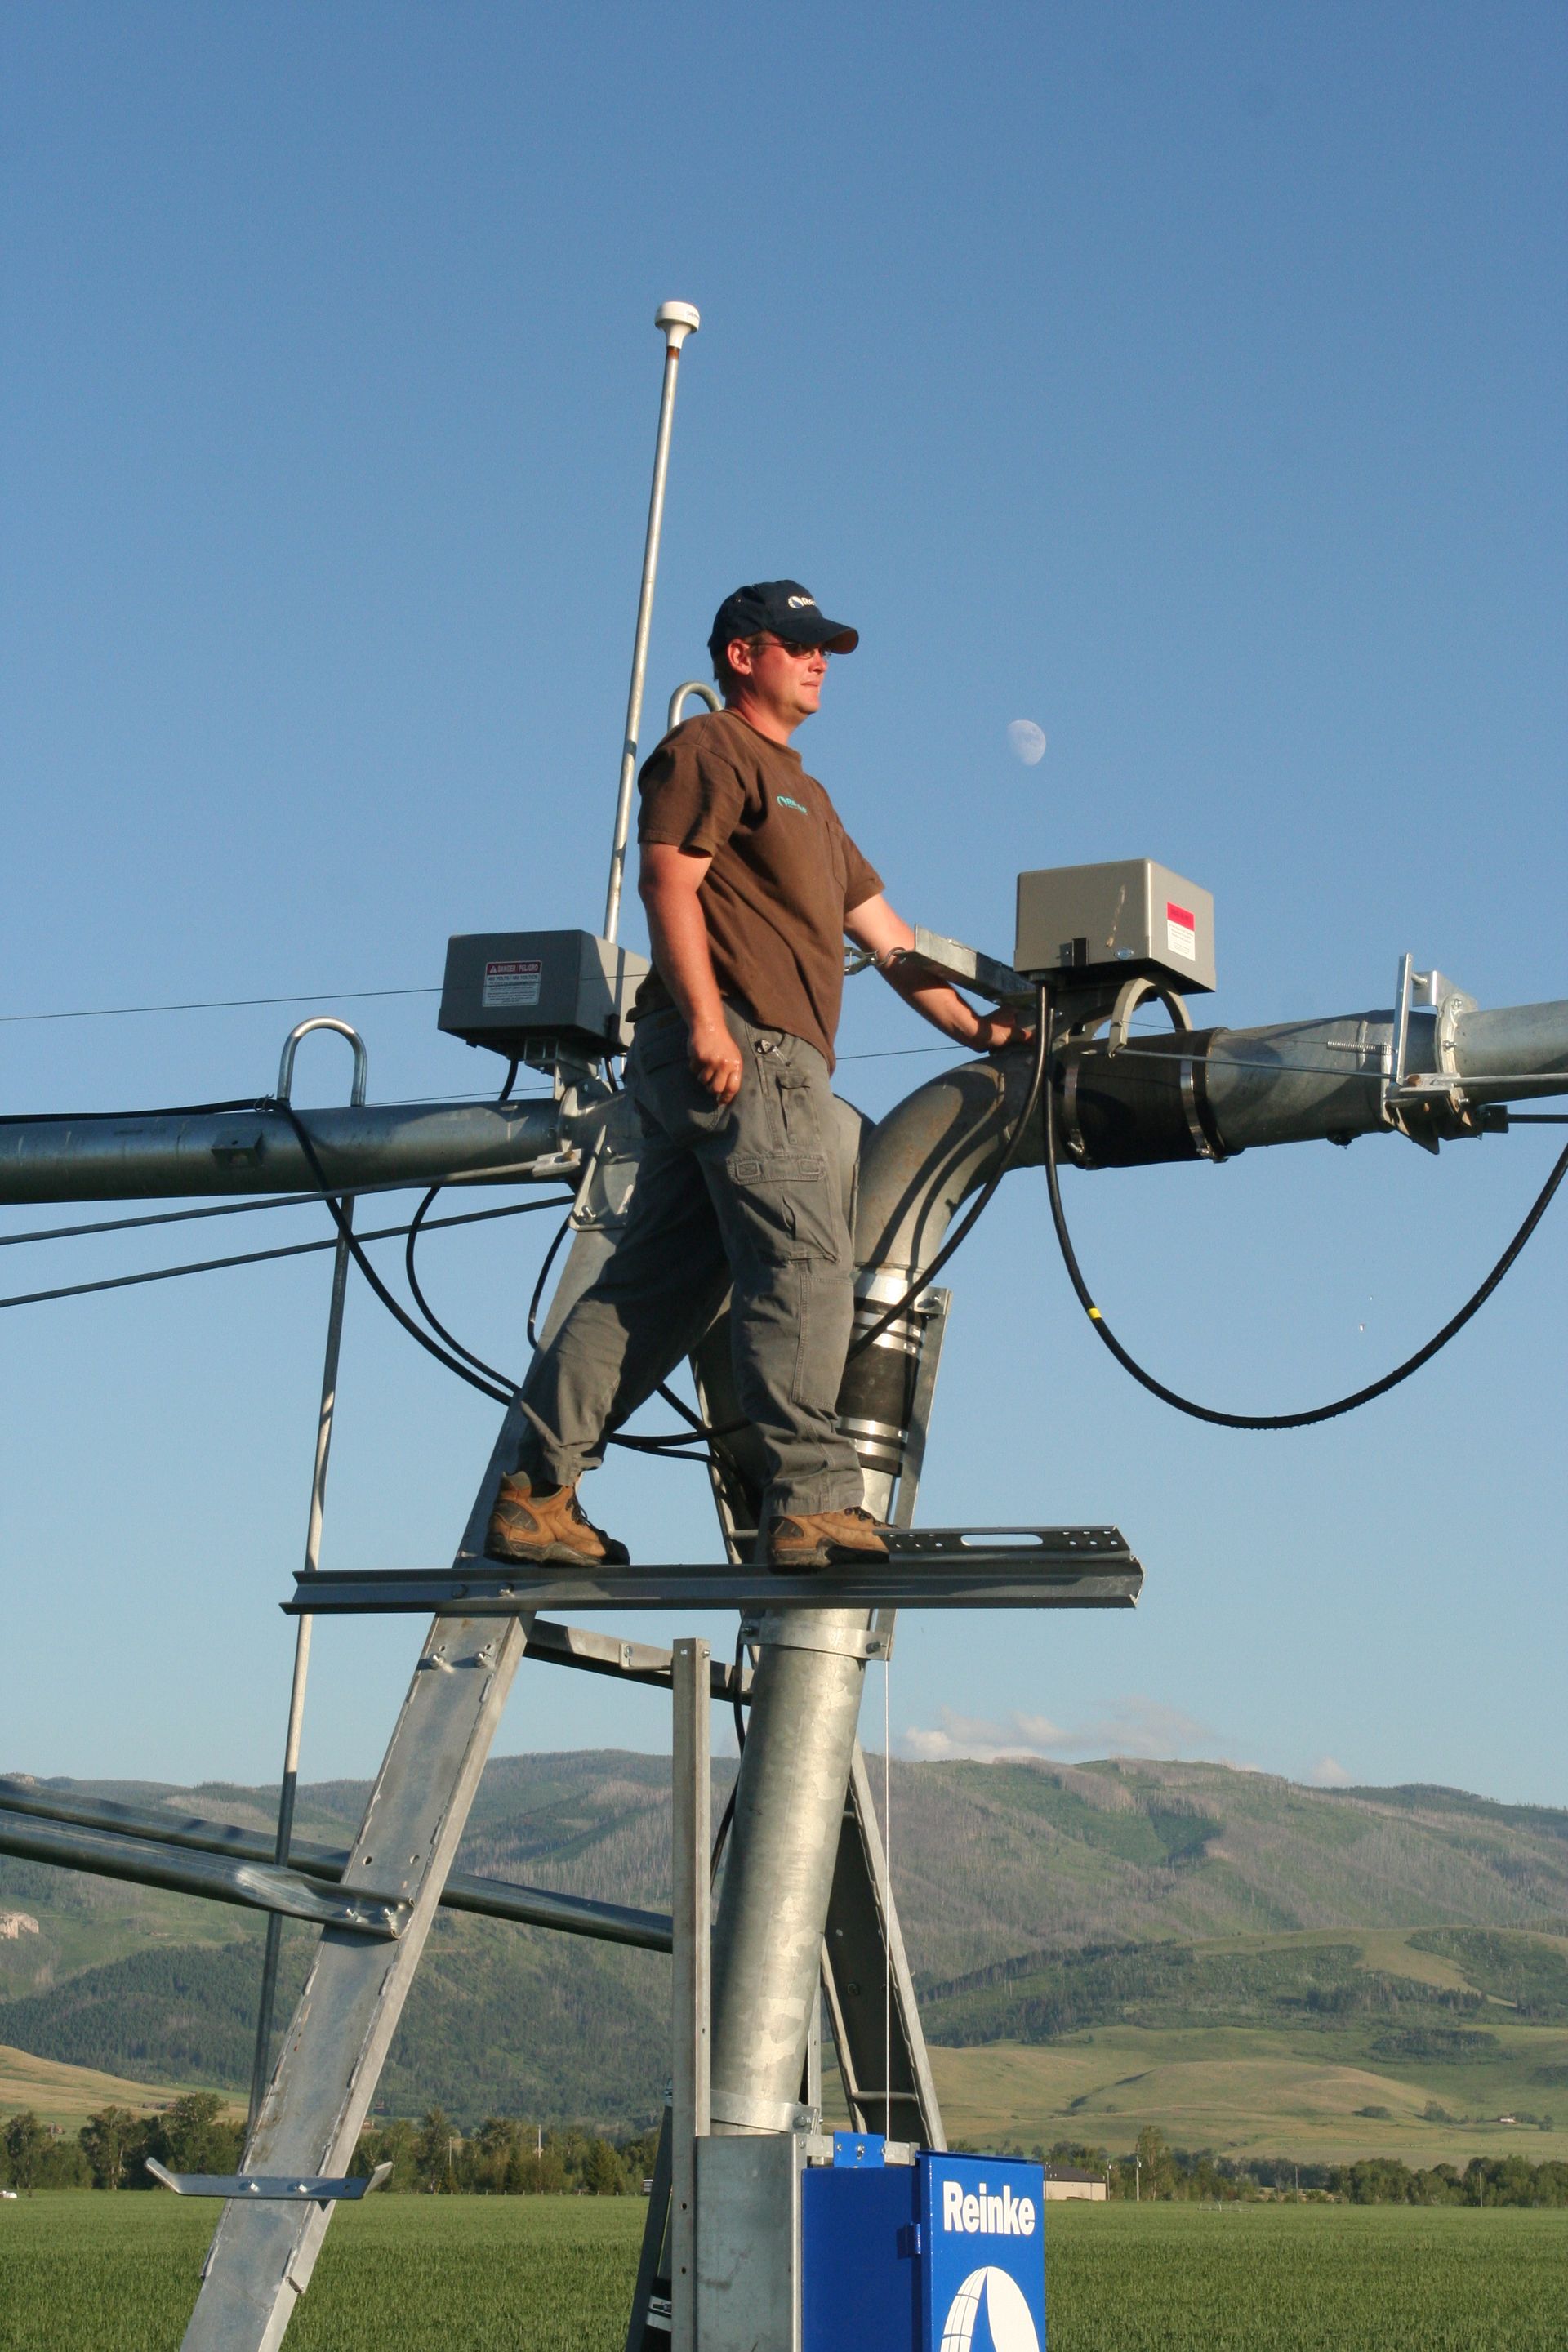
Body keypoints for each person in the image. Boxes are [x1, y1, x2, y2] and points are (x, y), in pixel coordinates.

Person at [486, 579, 1027, 1573]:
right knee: (805, 1263)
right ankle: (812, 1502)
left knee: (655, 1288)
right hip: (746, 1048)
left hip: (743, 1057)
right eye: (801, 643)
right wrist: (705, 1022)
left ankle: (537, 1493)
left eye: (827, 648)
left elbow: (892, 943)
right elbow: (667, 881)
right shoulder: (709, 752)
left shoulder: (809, 799)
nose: (820, 660)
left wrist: (979, 1029)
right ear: (744, 654)